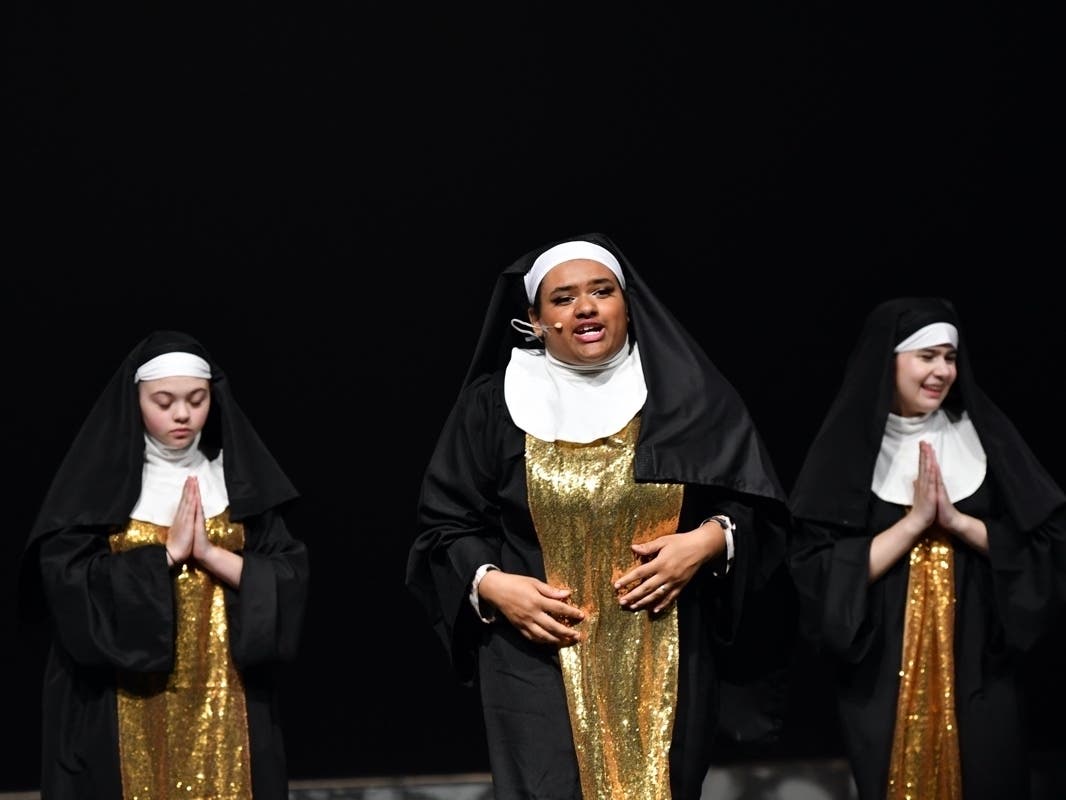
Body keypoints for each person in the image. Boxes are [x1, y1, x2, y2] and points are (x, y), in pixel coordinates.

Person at [406, 233, 794, 800]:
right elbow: (445, 525)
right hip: (535, 657)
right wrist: (493, 585)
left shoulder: (685, 397)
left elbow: (755, 502)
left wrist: (710, 541)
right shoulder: (495, 404)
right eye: (563, 299)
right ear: (535, 322)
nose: (585, 307)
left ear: (627, 306)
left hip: (668, 651)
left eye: (601, 291)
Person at [787, 297, 1066, 800]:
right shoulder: (845, 454)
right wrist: (913, 524)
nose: (942, 371)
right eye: (927, 356)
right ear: (889, 360)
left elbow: (1045, 553)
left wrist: (958, 523)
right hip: (880, 673)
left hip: (981, 662)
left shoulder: (985, 440)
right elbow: (815, 575)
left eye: (950, 358)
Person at [18, 330, 310, 800]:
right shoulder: (99, 488)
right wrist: (166, 556)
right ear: (135, 400)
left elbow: (289, 577)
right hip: (123, 699)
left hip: (226, 693)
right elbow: (66, 585)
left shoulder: (235, 481)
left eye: (197, 400)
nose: (181, 414)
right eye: (164, 401)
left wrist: (210, 555)